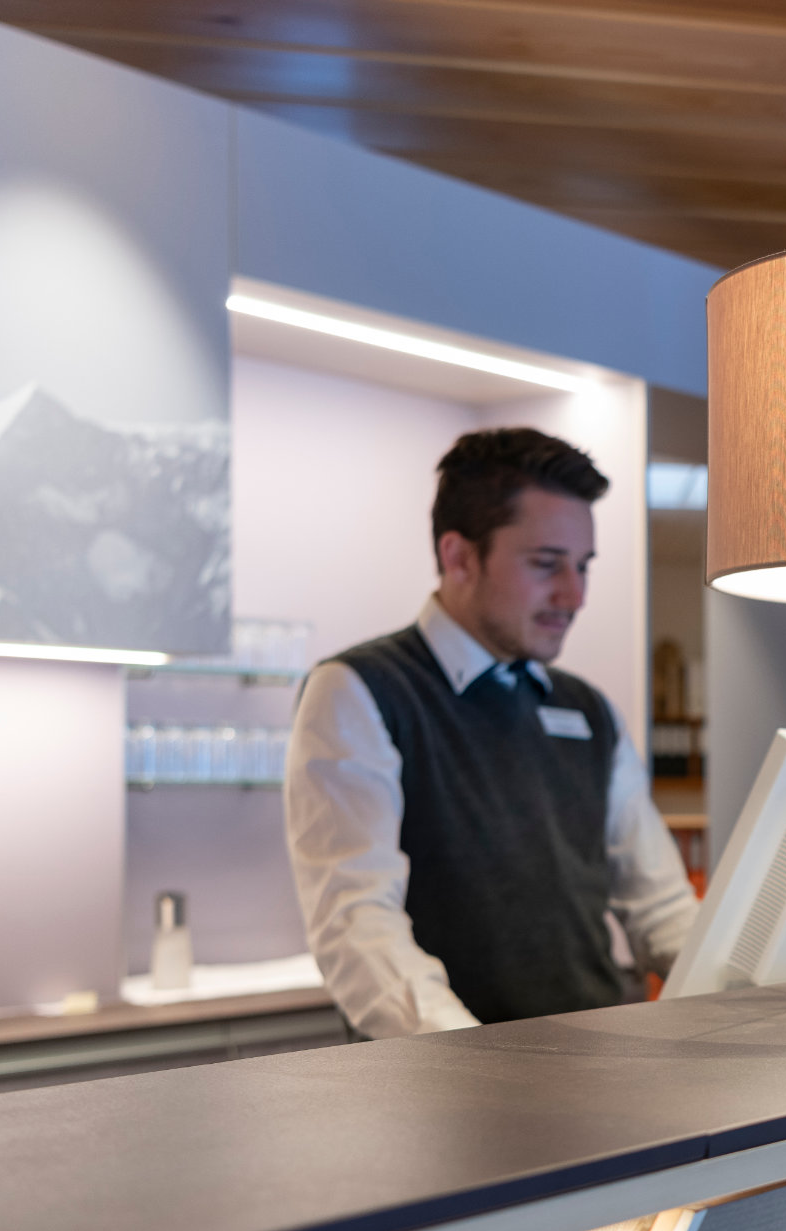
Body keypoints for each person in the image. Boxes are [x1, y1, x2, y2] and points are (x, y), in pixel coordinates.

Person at [286, 427, 696, 1036]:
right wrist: (472, 1063)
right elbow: (356, 923)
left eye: (583, 566)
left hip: (600, 1061)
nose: (574, 594)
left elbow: (659, 905)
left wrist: (751, 998)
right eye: (546, 564)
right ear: (459, 557)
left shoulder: (589, 710)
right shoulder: (360, 690)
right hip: (445, 1076)